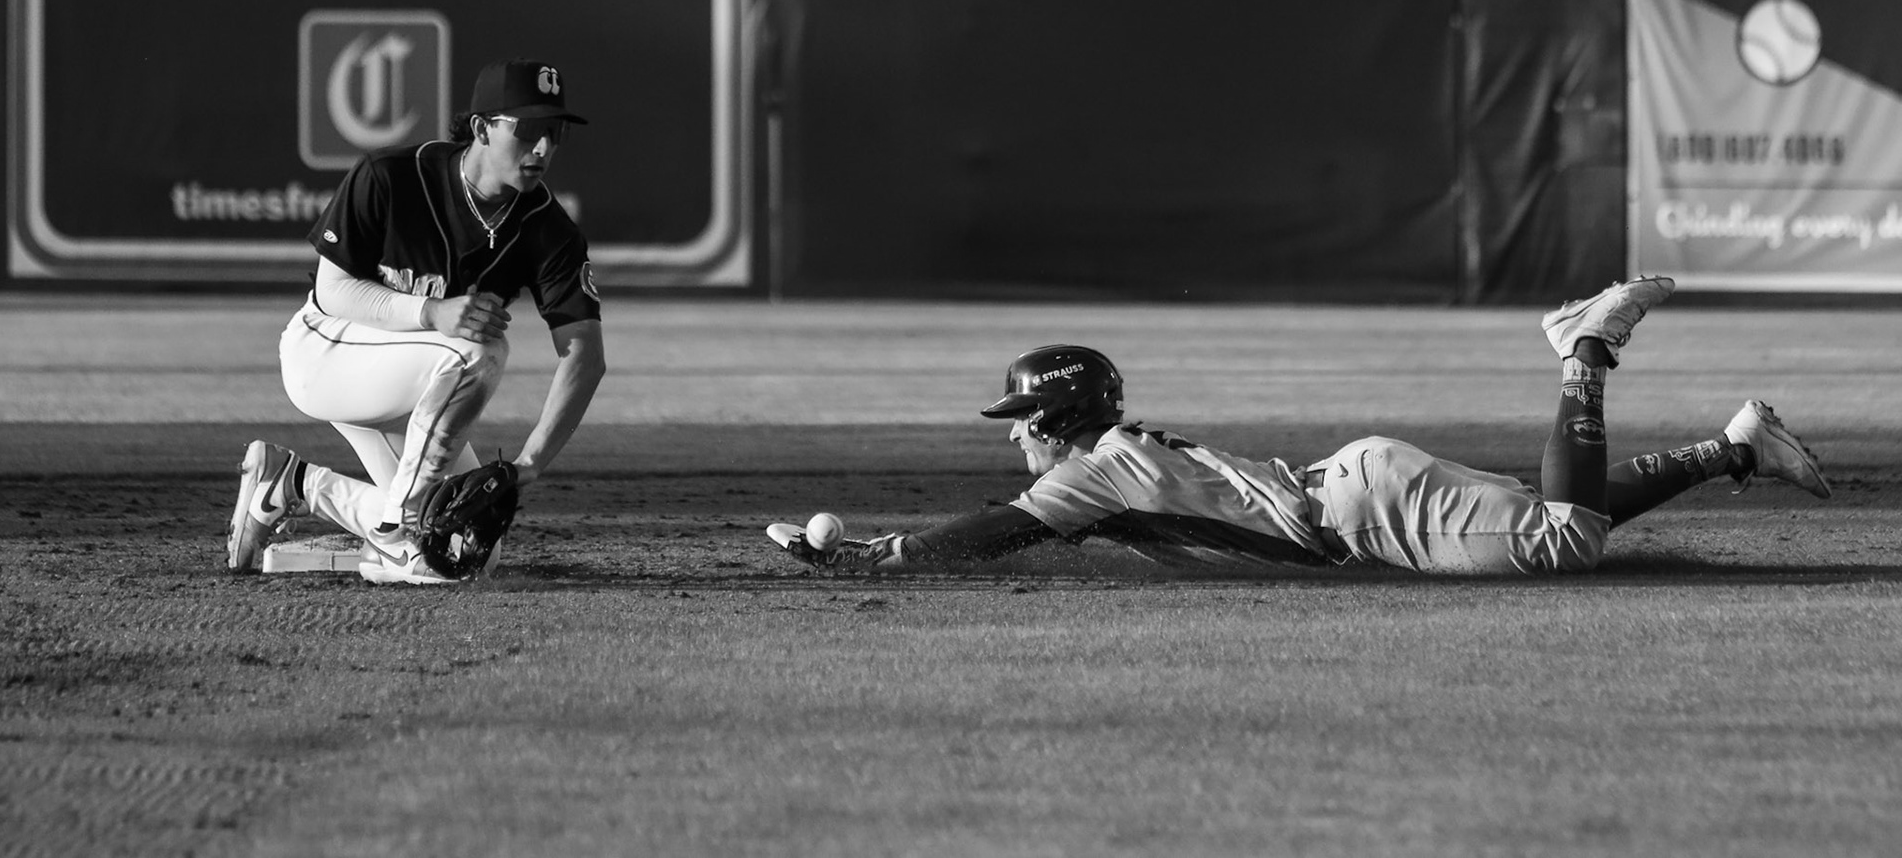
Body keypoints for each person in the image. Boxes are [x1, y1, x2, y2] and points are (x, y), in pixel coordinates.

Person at [768, 277, 1832, 576]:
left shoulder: (1096, 471)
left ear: (1058, 414)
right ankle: (1737, 445)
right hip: (1361, 484)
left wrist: (876, 556)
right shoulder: (1115, 460)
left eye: (1022, 419)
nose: (1015, 437)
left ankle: (1583, 350)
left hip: (1363, 514)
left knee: (1566, 540)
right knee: (1555, 508)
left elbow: (994, 530)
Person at [228, 58, 607, 584]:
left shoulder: (548, 229)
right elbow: (332, 291)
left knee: (465, 554)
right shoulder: (393, 176)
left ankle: (292, 483)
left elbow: (585, 355)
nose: (543, 148)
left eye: (556, 132)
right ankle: (396, 527)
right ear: (482, 128)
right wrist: (429, 312)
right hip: (326, 354)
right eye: (528, 130)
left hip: (418, 394)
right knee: (478, 350)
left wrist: (529, 464)